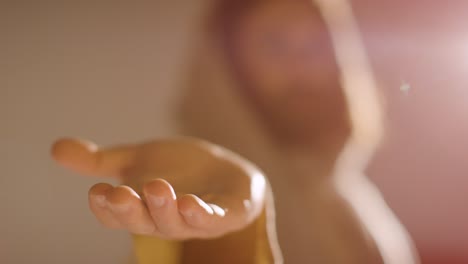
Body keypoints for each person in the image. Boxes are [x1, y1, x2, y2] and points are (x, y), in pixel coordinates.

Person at [51, 0, 419, 263]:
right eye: (275, 43)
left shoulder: (358, 198)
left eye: (316, 45)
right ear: (226, 68)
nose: (302, 64)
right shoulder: (200, 196)